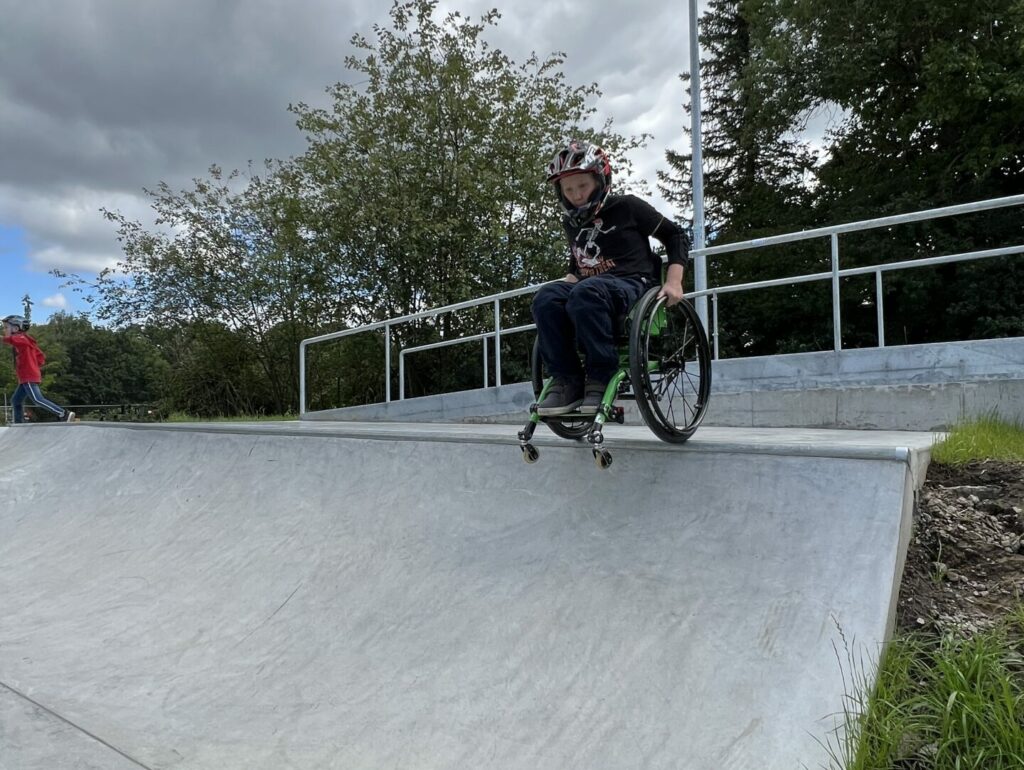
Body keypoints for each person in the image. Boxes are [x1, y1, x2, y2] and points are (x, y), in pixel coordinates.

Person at [532, 139, 690, 415]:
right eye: (568, 189)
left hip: (633, 283)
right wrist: (562, 288)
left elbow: (675, 234)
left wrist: (674, 281)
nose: (576, 195)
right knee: (546, 298)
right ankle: (567, 380)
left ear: (600, 180)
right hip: (591, 288)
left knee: (587, 292)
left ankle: (601, 375)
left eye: (582, 186)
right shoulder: (571, 222)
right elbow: (578, 261)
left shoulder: (627, 207)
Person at [2, 315, 74, 424]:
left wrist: (3, 338)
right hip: (26, 377)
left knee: (37, 399)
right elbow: (40, 357)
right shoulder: (27, 342)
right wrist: (32, 363)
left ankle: (63, 413)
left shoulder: (21, 338)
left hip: (29, 376)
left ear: (16, 329)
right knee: (16, 401)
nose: (4, 330)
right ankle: (18, 424)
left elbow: (16, 340)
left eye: (6, 327)